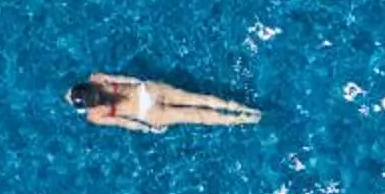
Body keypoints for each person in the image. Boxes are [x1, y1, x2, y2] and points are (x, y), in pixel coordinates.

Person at [67, 73, 261, 132]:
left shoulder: (95, 115)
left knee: (198, 116)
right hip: (148, 91)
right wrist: (144, 83)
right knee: (199, 99)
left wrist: (148, 129)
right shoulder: (97, 79)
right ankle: (242, 108)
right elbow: (128, 79)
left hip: (148, 114)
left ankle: (244, 120)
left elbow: (124, 122)